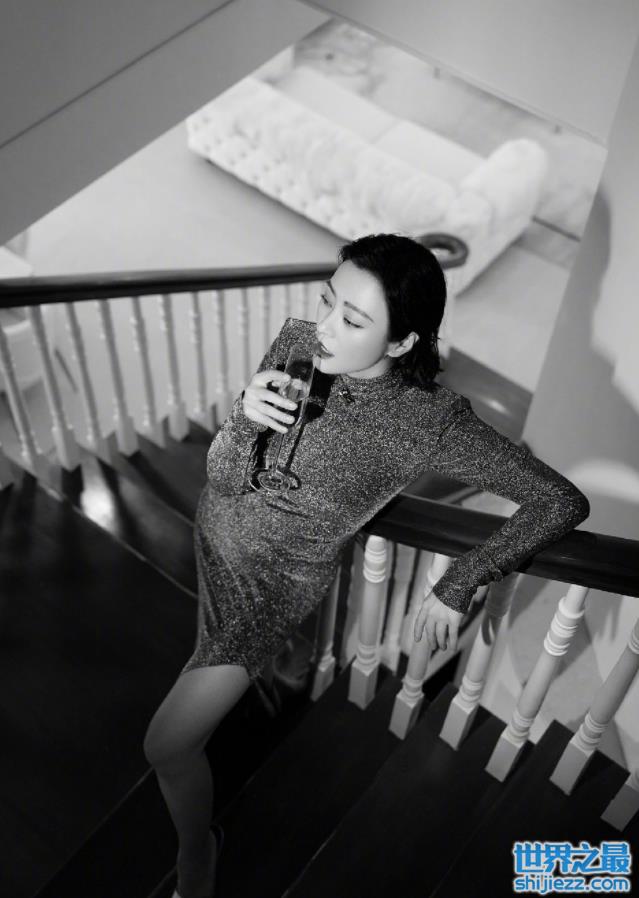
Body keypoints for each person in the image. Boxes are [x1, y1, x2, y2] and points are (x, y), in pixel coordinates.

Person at [142, 233, 590, 898]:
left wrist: (460, 580)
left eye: (351, 320)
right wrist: (241, 420)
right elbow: (228, 479)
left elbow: (560, 501)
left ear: (402, 342)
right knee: (202, 662)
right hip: (216, 535)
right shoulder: (299, 345)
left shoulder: (430, 422)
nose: (322, 328)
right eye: (327, 301)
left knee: (167, 745)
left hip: (274, 584)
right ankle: (262, 678)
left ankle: (197, 853)